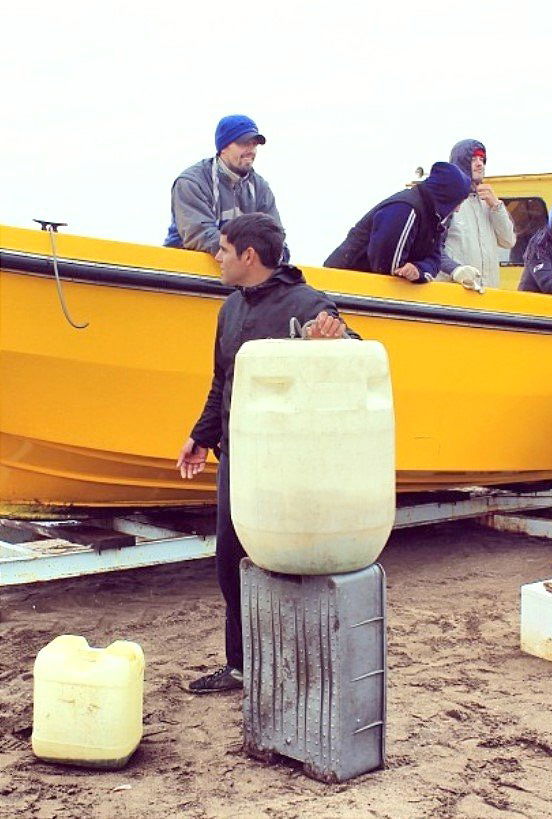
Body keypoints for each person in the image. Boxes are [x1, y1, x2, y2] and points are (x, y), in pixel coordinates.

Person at [177, 213, 358, 694]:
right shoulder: (230, 309)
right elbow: (223, 379)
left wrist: (333, 343)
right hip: (238, 458)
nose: (217, 256)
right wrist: (201, 434)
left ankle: (295, 670)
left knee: (284, 564)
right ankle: (240, 667)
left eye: (223, 249)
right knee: (230, 562)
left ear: (248, 256)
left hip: (288, 464)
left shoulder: (307, 303)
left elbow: (358, 354)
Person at [324, 162, 470, 283]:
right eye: (457, 202)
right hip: (346, 285)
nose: (457, 209)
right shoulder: (405, 209)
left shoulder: (434, 219)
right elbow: (387, 267)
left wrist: (418, 270)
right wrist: (411, 272)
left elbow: (434, 260)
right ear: (446, 197)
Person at [163, 115, 286, 256]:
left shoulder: (260, 187)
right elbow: (199, 236)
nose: (251, 150)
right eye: (244, 143)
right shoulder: (191, 182)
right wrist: (248, 256)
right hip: (185, 270)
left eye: (254, 144)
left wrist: (278, 254)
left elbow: (275, 237)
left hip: (239, 269)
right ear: (223, 147)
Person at [437, 139, 515, 290]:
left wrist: (496, 207)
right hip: (456, 294)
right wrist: (455, 270)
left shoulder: (489, 202)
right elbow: (431, 249)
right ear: (460, 163)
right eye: (473, 159)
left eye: (482, 159)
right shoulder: (447, 200)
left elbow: (508, 241)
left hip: (487, 296)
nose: (480, 164)